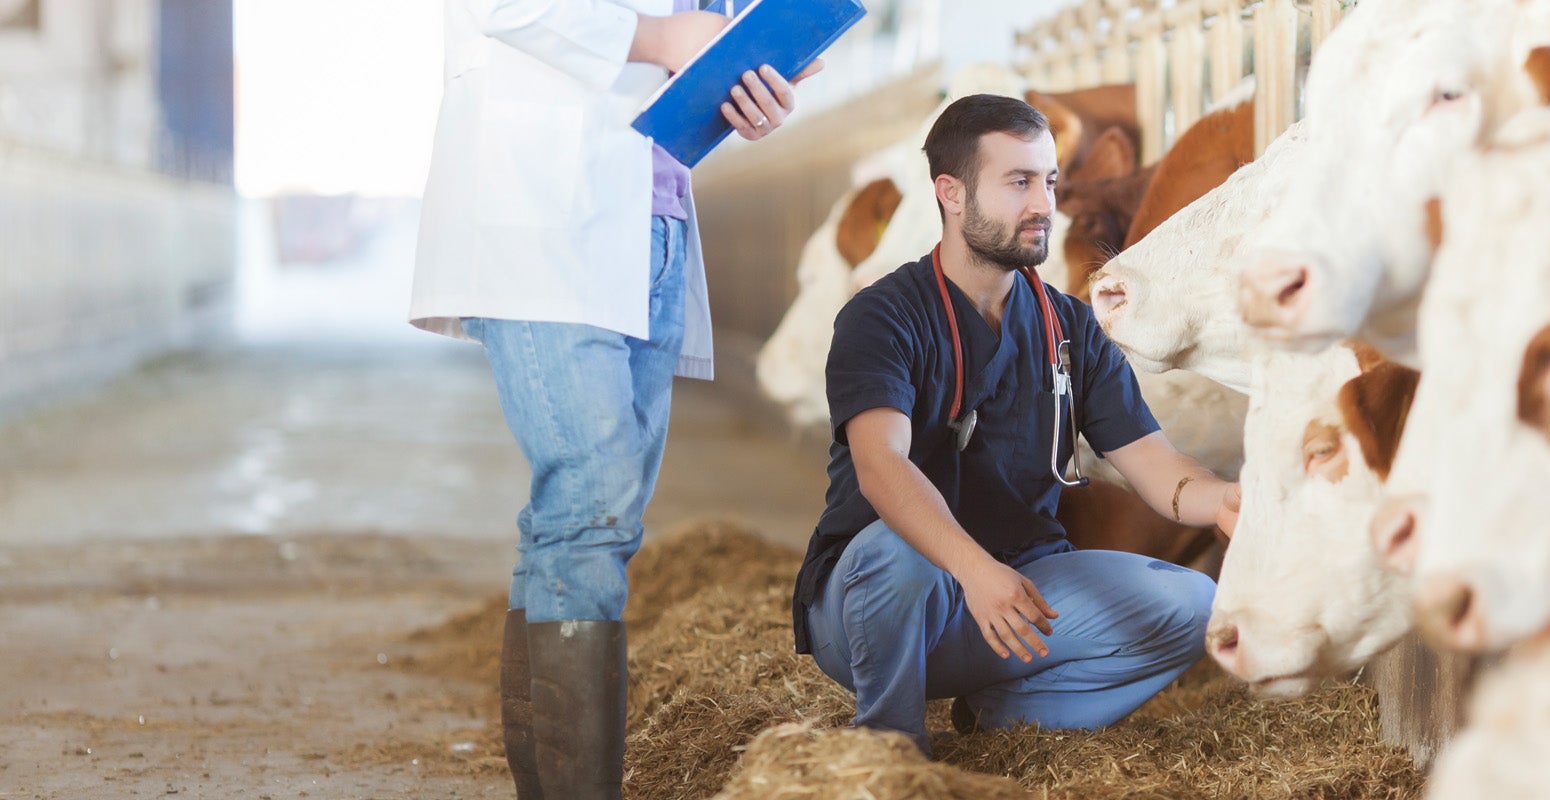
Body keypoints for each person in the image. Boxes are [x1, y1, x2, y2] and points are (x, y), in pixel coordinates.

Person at [410, 3, 821, 798]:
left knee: (594, 522)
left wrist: (746, 79)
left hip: (650, 214)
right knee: (590, 508)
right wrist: (665, 39)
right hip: (539, 207)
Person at [790, 93, 1240, 756]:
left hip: (1018, 591)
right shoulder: (883, 317)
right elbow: (882, 467)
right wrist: (975, 570)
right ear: (951, 193)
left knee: (1190, 606)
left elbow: (1155, 465)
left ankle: (1004, 726)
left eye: (1050, 181)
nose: (1042, 205)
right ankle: (889, 749)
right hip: (881, 605)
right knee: (897, 553)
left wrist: (1221, 500)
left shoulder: (1070, 327)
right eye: (1018, 182)